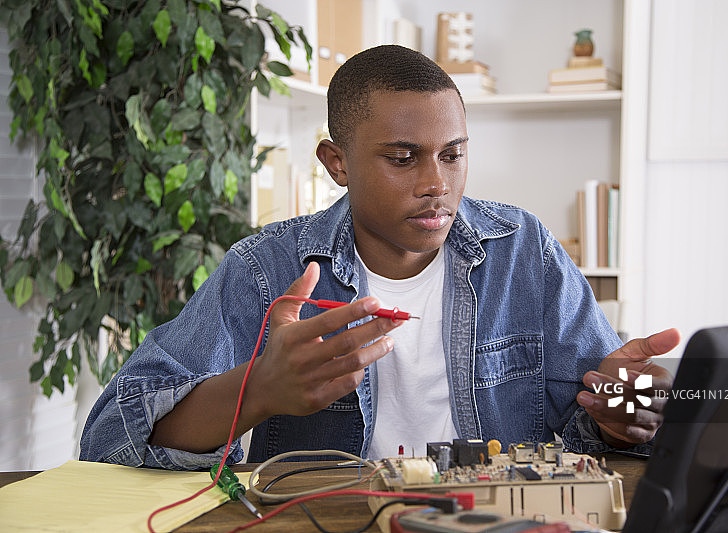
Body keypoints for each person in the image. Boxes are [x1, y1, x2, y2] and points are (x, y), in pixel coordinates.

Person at [80, 45, 678, 470]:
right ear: (336, 163)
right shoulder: (268, 269)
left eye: (452, 155)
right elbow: (111, 439)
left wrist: (628, 413)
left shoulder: (525, 250)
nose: (437, 184)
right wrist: (257, 390)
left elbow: (601, 425)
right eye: (402, 158)